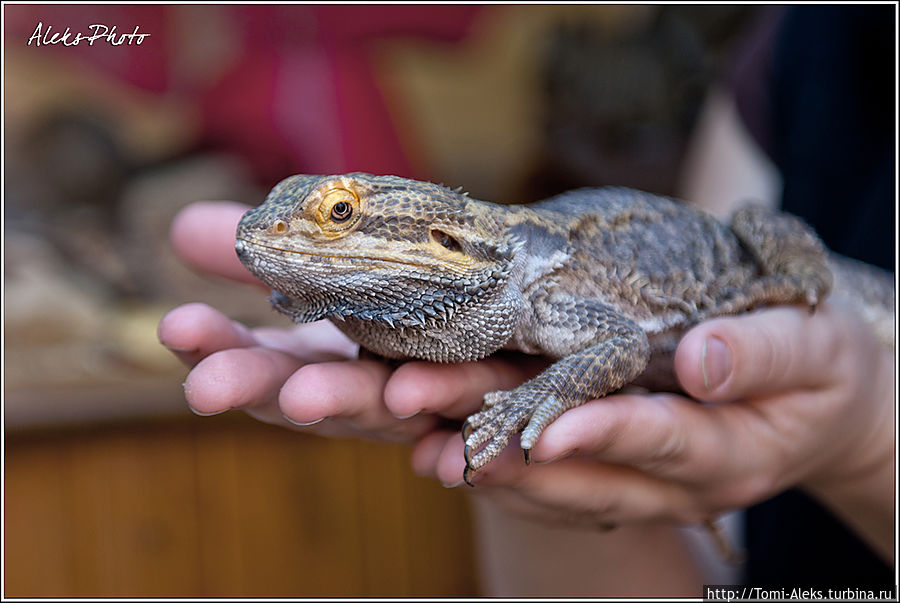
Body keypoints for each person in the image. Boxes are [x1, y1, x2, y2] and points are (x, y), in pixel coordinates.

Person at [158, 6, 894, 595]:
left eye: (341, 218)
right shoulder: (800, 44)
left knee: (761, 229)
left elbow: (624, 347)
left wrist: (867, 440)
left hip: (810, 287)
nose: (310, 234)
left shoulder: (543, 292)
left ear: (441, 235)